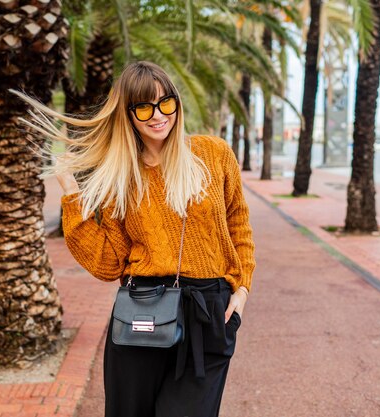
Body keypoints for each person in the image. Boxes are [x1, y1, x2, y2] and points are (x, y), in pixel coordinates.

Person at [14, 61, 255, 417]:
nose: (158, 115)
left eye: (166, 102)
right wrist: (71, 195)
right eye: (144, 107)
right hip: (143, 310)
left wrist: (242, 289)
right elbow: (108, 263)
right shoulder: (121, 177)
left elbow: (239, 224)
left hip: (210, 312)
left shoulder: (214, 154)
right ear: (127, 114)